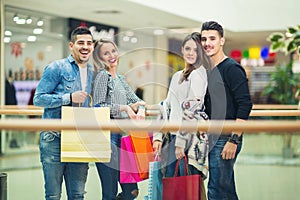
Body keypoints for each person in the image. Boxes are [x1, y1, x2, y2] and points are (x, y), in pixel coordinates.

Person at [33, 26, 94, 200]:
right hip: (54, 138)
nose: (85, 46)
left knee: (78, 194)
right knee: (53, 195)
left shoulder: (93, 72)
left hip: (80, 138)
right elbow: (39, 99)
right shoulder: (56, 68)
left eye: (89, 43)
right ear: (71, 45)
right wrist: (68, 97)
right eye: (80, 42)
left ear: (93, 46)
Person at [152, 32, 213, 199]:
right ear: (182, 50)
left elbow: (192, 109)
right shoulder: (178, 76)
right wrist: (157, 136)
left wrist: (180, 143)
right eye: (187, 48)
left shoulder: (199, 74)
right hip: (172, 138)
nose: (191, 53)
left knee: (187, 189)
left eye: (196, 49)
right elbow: (166, 106)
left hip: (188, 140)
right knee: (173, 188)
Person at [200, 21, 253, 200]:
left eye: (212, 38)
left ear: (222, 41)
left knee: (216, 190)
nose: (207, 43)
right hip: (212, 136)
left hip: (226, 138)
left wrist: (234, 139)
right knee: (225, 189)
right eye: (204, 39)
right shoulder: (208, 70)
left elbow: (245, 104)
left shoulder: (232, 68)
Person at [92, 38, 146, 200]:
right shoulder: (102, 76)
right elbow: (98, 107)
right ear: (99, 58)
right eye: (105, 53)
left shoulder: (121, 79)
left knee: (132, 191)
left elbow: (137, 100)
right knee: (109, 192)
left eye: (113, 51)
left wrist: (141, 109)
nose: (111, 55)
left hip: (123, 140)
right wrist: (124, 108)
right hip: (107, 138)